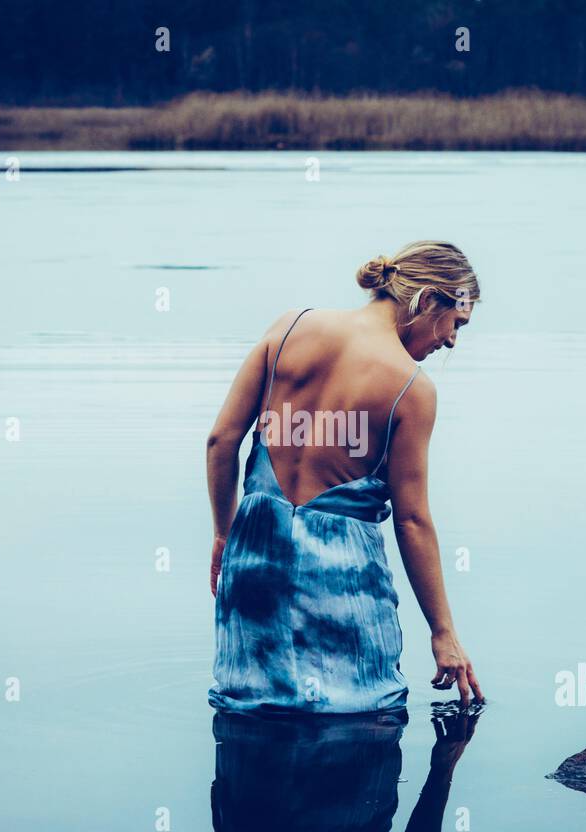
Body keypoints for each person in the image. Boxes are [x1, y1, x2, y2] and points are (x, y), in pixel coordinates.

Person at [206, 240, 484, 713]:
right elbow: (411, 521)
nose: (452, 341)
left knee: (249, 707)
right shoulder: (411, 390)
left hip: (253, 557)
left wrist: (223, 534)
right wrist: (443, 633)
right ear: (428, 300)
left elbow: (221, 441)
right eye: (457, 323)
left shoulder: (289, 326)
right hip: (340, 578)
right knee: (356, 715)